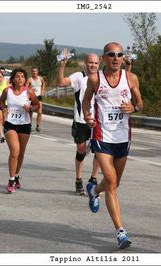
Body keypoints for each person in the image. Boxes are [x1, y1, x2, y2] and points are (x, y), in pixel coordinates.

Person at [82, 42, 143, 249]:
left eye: (119, 54)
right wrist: (88, 116)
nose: (116, 58)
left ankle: (93, 191)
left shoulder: (131, 78)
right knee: (110, 180)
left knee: (113, 184)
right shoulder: (94, 79)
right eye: (111, 54)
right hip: (102, 136)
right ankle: (120, 232)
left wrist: (133, 107)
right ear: (104, 58)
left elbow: (141, 104)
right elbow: (86, 101)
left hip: (123, 137)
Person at [56, 48, 101, 195]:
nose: (93, 65)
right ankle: (78, 180)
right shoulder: (79, 76)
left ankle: (93, 180)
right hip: (81, 120)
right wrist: (63, 64)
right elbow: (61, 83)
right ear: (85, 64)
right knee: (81, 150)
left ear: (99, 64)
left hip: (98, 122)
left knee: (100, 152)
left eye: (95, 63)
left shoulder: (102, 78)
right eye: (90, 62)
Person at [0, 67, 39, 193]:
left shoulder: (29, 92)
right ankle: (11, 180)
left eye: (22, 76)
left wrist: (31, 108)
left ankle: (16, 175)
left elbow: (37, 105)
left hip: (24, 124)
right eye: (17, 76)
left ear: (25, 79)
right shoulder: (7, 91)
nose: (20, 78)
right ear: (13, 79)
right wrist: (4, 108)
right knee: (14, 151)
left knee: (21, 153)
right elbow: (1, 101)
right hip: (10, 123)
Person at [27, 66, 46, 132]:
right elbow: (25, 88)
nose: (34, 72)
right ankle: (29, 126)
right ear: (31, 72)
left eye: (35, 71)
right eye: (33, 71)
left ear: (37, 72)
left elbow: (43, 83)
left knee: (40, 112)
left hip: (38, 97)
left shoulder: (40, 78)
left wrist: (43, 90)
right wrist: (30, 90)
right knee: (30, 112)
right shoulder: (29, 79)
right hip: (31, 97)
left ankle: (38, 126)